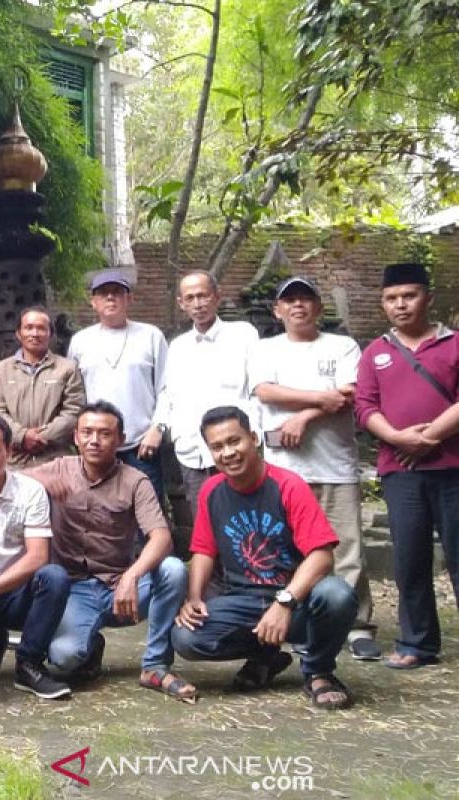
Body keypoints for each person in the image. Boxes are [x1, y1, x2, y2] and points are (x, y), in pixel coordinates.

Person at [173, 406, 358, 710]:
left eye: (235, 441)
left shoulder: (288, 485)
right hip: (243, 599)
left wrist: (284, 602)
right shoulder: (211, 490)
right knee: (185, 637)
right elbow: (204, 550)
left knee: (337, 595)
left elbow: (322, 555)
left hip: (298, 600)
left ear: (254, 439)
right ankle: (266, 656)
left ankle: (319, 671)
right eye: (217, 446)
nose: (228, 452)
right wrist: (193, 597)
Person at [26, 402, 195, 702]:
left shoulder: (135, 480)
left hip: (121, 587)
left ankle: (154, 664)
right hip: (74, 589)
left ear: (120, 439)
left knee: (173, 569)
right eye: (87, 432)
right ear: (75, 437)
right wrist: (37, 484)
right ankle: (91, 647)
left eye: (104, 433)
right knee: (64, 658)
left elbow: (161, 537)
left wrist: (132, 575)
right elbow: (11, 481)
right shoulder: (58, 468)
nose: (94, 440)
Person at [250, 276, 379, 661]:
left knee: (346, 549)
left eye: (306, 300)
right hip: (284, 470)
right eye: (289, 301)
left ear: (319, 308)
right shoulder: (265, 349)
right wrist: (320, 398)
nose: (298, 306)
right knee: (286, 551)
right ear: (278, 311)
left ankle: (357, 626)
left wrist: (304, 416)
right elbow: (266, 391)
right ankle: (299, 622)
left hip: (335, 465)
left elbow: (348, 396)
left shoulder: (342, 346)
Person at [356, 262, 459, 670]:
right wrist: (400, 439)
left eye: (409, 296)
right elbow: (365, 407)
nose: (401, 305)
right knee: (410, 557)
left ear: (427, 298)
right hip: (401, 472)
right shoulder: (375, 352)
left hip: (453, 467)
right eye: (392, 298)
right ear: (383, 304)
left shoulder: (453, 345)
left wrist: (428, 437)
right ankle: (417, 642)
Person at [0, 414, 71, 699]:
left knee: (54, 577)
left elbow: (37, 557)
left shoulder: (30, 491)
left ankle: (29, 663)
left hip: (15, 595)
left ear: (8, 451)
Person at [155, 271, 258, 525]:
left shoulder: (243, 335)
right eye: (190, 298)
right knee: (205, 524)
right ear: (181, 303)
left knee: (245, 520)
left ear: (217, 297)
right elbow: (168, 393)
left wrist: (254, 436)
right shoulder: (178, 346)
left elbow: (257, 389)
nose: (198, 303)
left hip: (236, 448)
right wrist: (161, 427)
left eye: (203, 295)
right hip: (193, 451)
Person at [67, 269, 168, 503]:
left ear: (129, 299)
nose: (110, 298)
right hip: (96, 444)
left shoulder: (151, 336)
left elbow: (166, 387)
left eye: (117, 292)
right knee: (99, 514)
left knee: (148, 515)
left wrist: (158, 428)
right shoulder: (80, 341)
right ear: (93, 302)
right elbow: (75, 393)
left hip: (142, 444)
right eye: (103, 293)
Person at [0, 306, 85, 468]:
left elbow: (74, 411)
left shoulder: (67, 368)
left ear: (50, 334)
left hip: (55, 460)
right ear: (18, 333)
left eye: (41, 328)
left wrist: (42, 436)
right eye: (29, 327)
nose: (35, 333)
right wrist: (22, 436)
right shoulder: (1, 370)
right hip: (13, 461)